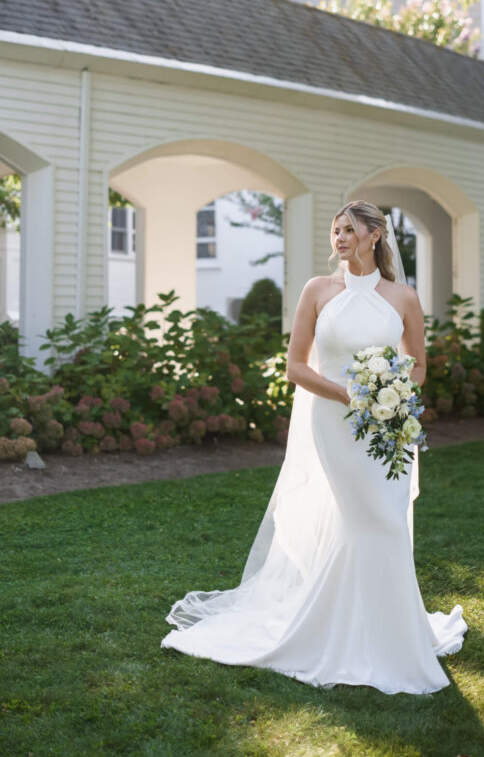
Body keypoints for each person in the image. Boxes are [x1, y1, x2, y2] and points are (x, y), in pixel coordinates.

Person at [161, 200, 467, 693]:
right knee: (361, 519)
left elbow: (419, 366)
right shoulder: (318, 291)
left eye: (349, 230)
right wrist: (351, 393)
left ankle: (391, 632)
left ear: (374, 236)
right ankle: (337, 632)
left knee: (386, 521)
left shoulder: (404, 296)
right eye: (335, 231)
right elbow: (296, 366)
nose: (339, 238)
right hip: (333, 421)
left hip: (385, 427)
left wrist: (390, 393)